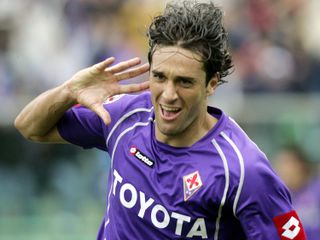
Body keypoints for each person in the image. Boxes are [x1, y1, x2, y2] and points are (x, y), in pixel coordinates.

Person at [14, 1, 307, 239]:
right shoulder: (125, 116)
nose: (168, 95)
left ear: (212, 84)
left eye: (184, 82)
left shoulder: (243, 170)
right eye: (159, 77)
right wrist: (69, 90)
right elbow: (29, 126)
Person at [274, 145, 320, 240]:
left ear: (300, 164)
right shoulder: (281, 201)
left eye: (286, 163)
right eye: (279, 165)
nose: (283, 170)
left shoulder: (316, 189)